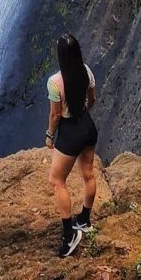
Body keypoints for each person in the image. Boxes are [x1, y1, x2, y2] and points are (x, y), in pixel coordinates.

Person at [44, 33, 98, 257]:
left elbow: (55, 115)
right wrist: (82, 114)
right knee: (88, 174)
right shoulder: (86, 70)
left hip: (69, 131)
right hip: (87, 125)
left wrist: (49, 135)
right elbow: (92, 98)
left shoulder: (55, 82)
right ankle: (84, 220)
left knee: (56, 180)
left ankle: (69, 235)